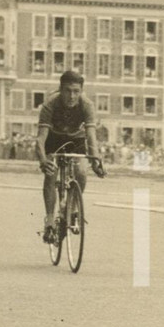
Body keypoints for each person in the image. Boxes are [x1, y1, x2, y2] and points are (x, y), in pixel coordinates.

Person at [35, 70, 105, 241]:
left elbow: (91, 136)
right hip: (55, 137)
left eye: (76, 91)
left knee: (81, 170)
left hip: (76, 137)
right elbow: (40, 140)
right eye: (67, 90)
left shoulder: (87, 105)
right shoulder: (50, 104)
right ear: (61, 89)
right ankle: (50, 221)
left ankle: (72, 208)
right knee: (51, 173)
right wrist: (43, 161)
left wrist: (95, 160)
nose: (72, 96)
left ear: (81, 91)